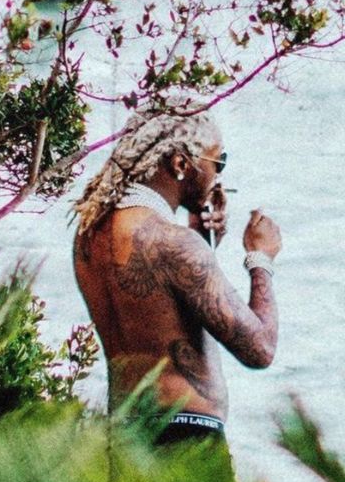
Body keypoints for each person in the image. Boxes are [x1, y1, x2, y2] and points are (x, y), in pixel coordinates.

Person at [72, 107, 281, 446]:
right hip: (184, 436)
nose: (218, 176)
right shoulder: (173, 242)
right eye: (218, 161)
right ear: (182, 164)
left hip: (125, 437)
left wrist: (199, 229)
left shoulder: (89, 235)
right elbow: (260, 349)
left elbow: (163, 309)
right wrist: (261, 258)